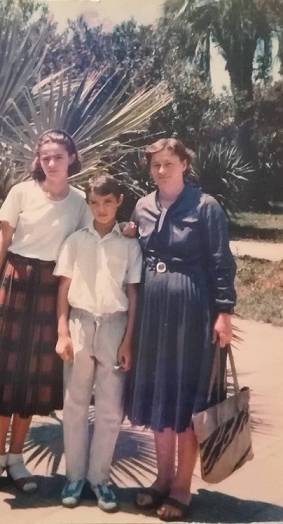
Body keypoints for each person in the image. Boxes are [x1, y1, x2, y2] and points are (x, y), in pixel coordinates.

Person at [0, 129, 92, 498]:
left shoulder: (80, 202)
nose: (51, 163)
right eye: (45, 157)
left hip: (51, 291)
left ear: (71, 157)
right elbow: (1, 247)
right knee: (4, 375)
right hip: (15, 284)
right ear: (38, 161)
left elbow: (90, 244)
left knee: (31, 378)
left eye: (58, 156)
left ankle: (17, 458)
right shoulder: (21, 193)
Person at [126, 138, 236, 521]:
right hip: (153, 314)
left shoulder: (206, 207)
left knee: (187, 398)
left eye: (169, 164)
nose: (161, 171)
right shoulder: (141, 206)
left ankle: (182, 487)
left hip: (192, 312)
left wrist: (224, 313)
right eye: (155, 165)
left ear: (184, 164)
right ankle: (161, 479)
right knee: (160, 395)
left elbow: (222, 263)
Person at [54, 174, 142, 512]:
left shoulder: (129, 244)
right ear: (88, 203)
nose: (101, 208)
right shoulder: (75, 241)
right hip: (78, 323)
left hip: (114, 327)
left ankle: (99, 478)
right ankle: (74, 476)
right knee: (75, 404)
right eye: (94, 202)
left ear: (119, 201)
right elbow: (63, 290)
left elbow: (133, 294)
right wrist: (63, 332)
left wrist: (128, 340)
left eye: (108, 202)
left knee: (109, 408)